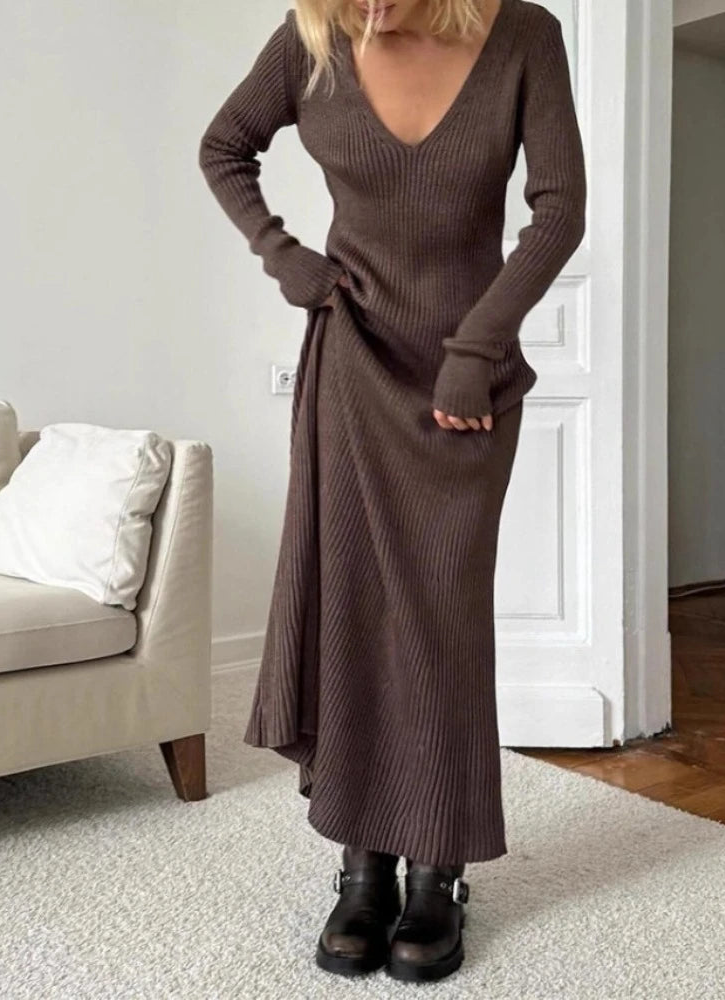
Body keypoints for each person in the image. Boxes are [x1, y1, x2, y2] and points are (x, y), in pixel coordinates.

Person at [199, 0, 585, 983]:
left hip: (467, 381)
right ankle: (363, 865)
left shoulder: (523, 36)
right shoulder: (311, 40)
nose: (367, 6)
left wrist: (477, 348)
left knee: (440, 615)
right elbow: (224, 147)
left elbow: (558, 210)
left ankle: (437, 870)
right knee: (354, 606)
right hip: (354, 366)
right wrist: (284, 255)